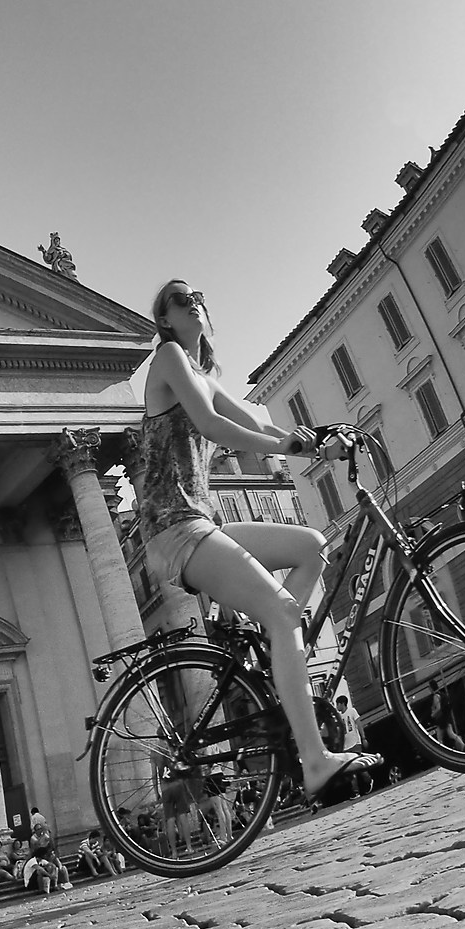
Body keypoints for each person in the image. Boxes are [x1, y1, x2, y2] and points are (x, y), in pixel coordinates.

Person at [136, 278, 381, 804]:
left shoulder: (204, 374)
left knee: (312, 545)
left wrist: (318, 441)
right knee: (283, 609)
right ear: (165, 319)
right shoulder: (170, 359)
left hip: (204, 522)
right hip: (173, 529)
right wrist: (293, 447)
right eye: (179, 299)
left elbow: (258, 421)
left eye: (198, 293)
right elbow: (214, 427)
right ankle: (315, 762)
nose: (193, 300)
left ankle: (279, 648)